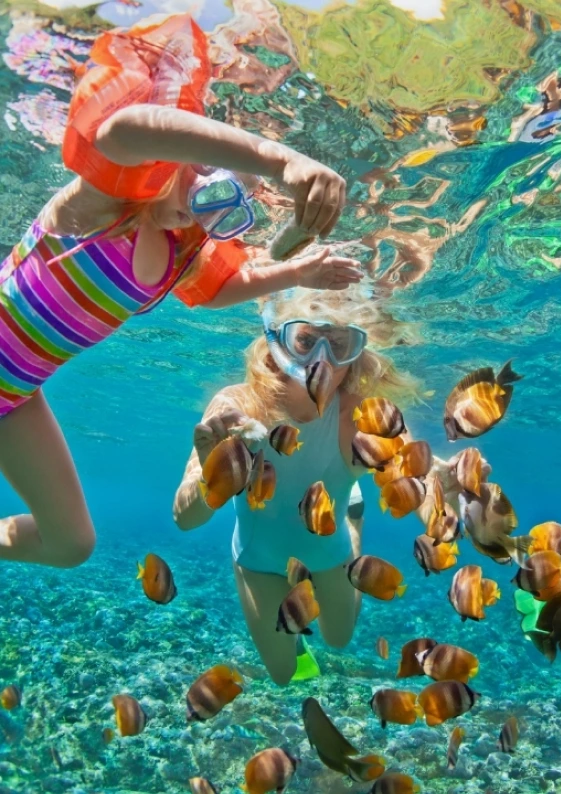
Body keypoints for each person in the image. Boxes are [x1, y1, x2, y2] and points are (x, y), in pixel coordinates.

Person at [0, 14, 363, 570]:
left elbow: (222, 289)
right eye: (206, 177)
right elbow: (123, 130)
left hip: (15, 396)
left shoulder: (177, 252)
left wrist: (295, 273)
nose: (201, 205)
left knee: (70, 545)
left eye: (224, 208)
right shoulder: (106, 203)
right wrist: (280, 160)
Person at [172, 285, 424, 684]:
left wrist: (444, 490)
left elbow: (413, 471)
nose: (320, 360)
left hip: (329, 550)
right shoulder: (238, 406)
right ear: (276, 341)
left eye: (338, 345)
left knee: (339, 638)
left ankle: (353, 523)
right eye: (305, 341)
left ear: (355, 355)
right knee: (283, 673)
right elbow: (184, 519)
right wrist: (211, 475)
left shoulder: (361, 411)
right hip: (258, 559)